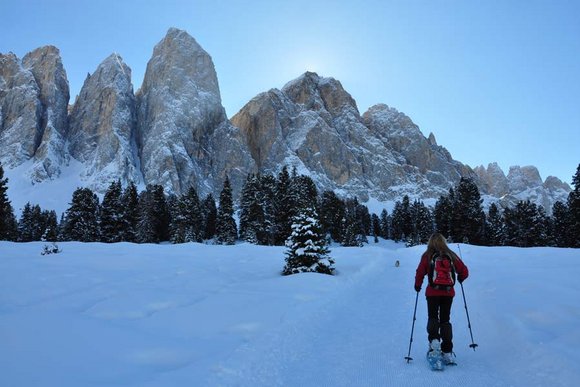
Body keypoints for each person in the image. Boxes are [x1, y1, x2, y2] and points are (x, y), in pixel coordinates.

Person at [414, 233, 469, 364]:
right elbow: (464, 271)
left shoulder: (427, 255)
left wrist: (417, 285)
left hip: (432, 293)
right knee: (445, 320)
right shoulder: (451, 255)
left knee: (433, 317)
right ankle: (447, 352)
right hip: (448, 293)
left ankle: (434, 343)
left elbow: (420, 272)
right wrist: (460, 278)